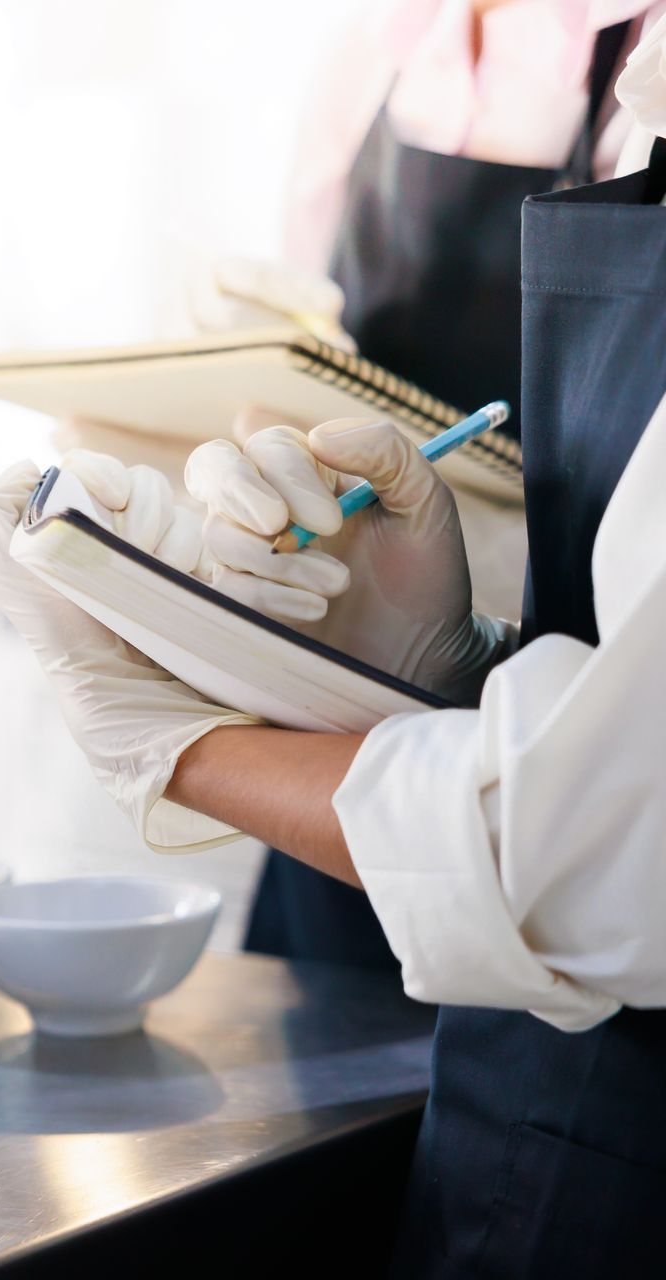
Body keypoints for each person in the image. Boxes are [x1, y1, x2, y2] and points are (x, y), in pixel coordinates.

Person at [0, 19, 666, 1272]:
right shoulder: (410, 51)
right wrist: (446, 666)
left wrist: (171, 740)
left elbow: (592, 853)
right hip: (428, 839)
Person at [239, 0, 662, 973]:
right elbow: (313, 336)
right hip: (329, 716)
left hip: (553, 713)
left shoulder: (641, 68)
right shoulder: (372, 51)